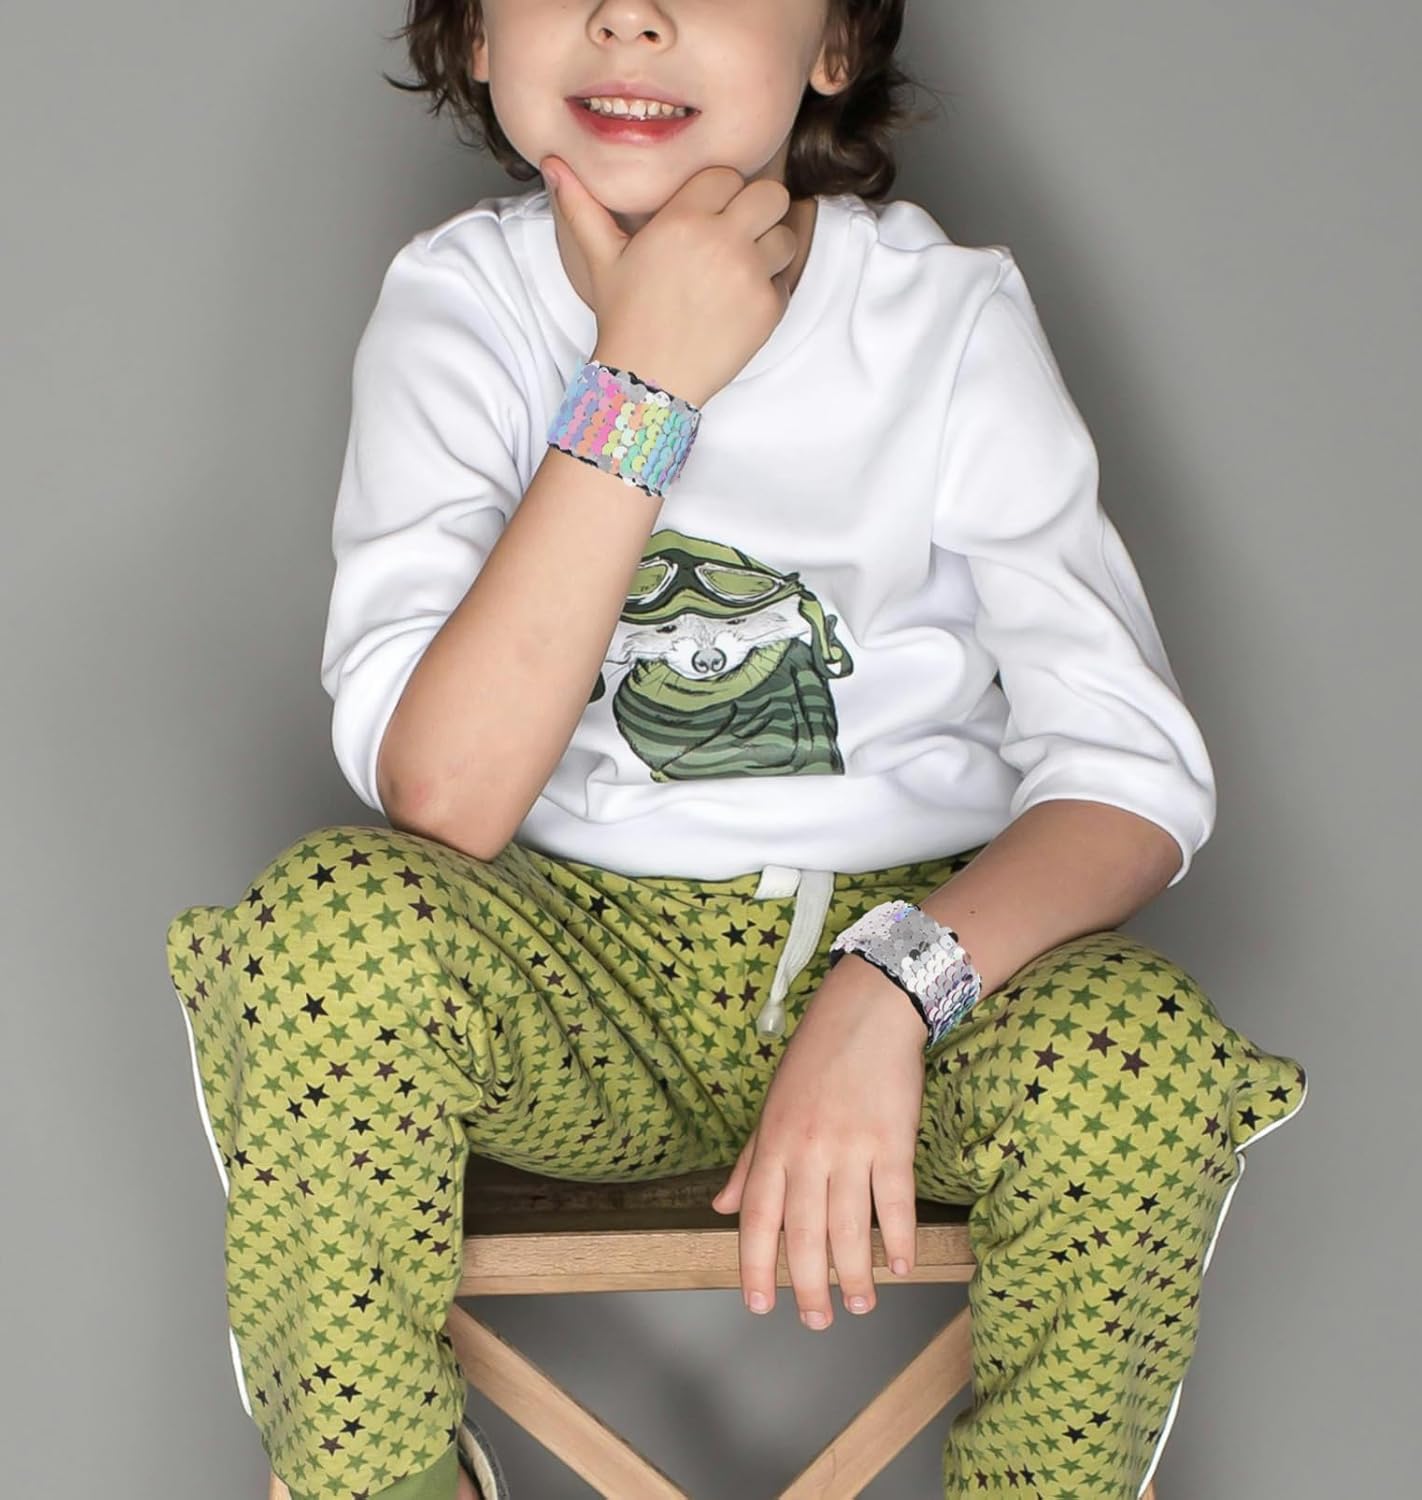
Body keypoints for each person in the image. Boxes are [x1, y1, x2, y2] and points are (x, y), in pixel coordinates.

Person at [164, 2, 1309, 1497]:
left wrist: (891, 989)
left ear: (833, 45)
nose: (628, 15)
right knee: (326, 932)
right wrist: (646, 381)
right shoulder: (460, 306)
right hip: (578, 984)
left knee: (1137, 1053)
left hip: (923, 980)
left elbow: (1131, 779)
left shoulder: (941, 317)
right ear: (478, 35)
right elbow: (444, 795)